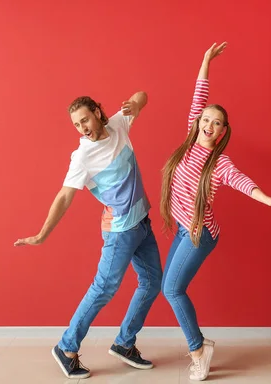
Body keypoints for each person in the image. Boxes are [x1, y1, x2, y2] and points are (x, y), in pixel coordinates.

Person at [160, 42, 271, 381]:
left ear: (223, 132)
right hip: (183, 227)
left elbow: (240, 181)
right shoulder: (189, 142)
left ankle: (198, 350)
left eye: (216, 123)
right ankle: (199, 344)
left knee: (172, 290)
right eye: (206, 119)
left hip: (199, 233)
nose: (209, 125)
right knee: (170, 288)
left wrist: (267, 199)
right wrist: (206, 60)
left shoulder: (219, 163)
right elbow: (199, 95)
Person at [14, 92, 163, 379]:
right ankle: (66, 347)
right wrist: (42, 234)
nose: (82, 127)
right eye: (76, 124)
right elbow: (64, 197)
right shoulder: (82, 156)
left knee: (152, 282)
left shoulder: (119, 124)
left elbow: (142, 95)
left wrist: (137, 103)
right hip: (119, 232)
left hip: (142, 224)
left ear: (97, 112)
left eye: (84, 119)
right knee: (103, 288)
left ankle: (124, 343)